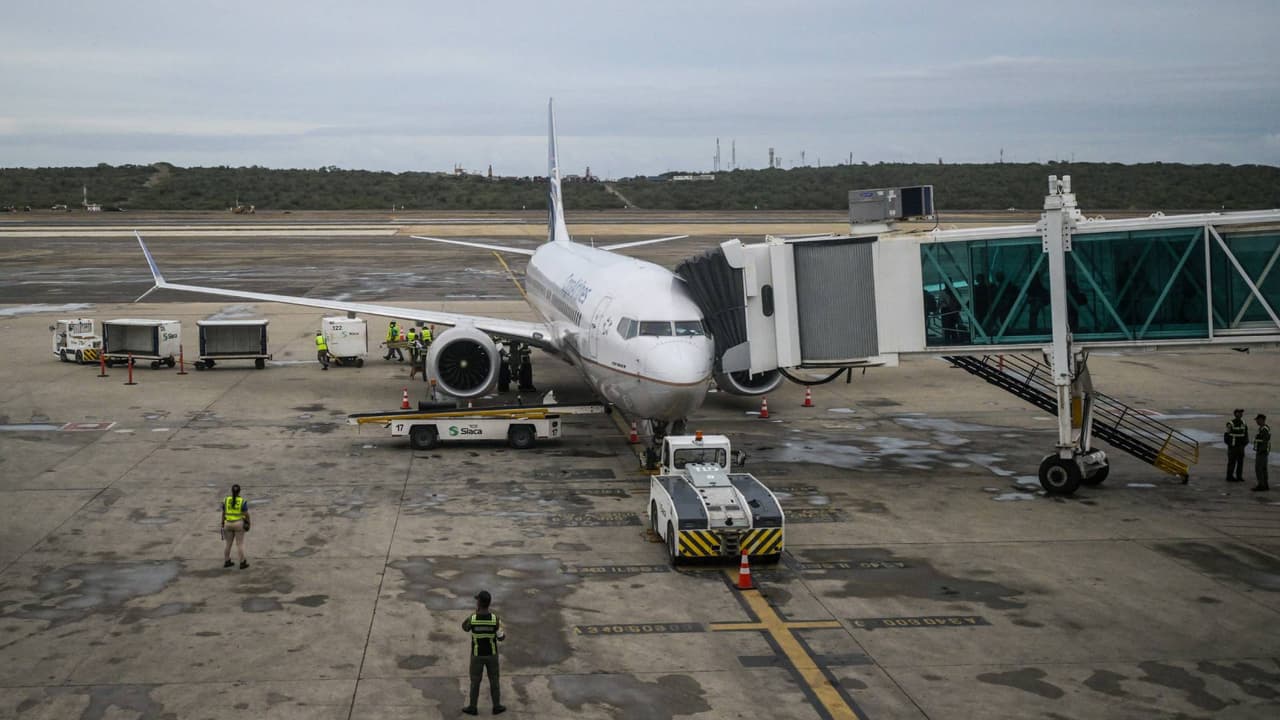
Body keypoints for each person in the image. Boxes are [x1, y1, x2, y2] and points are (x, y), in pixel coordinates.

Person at [461, 590, 505, 716]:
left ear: (479, 603)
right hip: (491, 655)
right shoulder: (495, 619)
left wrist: (475, 613)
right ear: (489, 603)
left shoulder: (473, 619)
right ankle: (496, 706)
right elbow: (501, 638)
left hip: (477, 655)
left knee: (475, 681)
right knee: (494, 680)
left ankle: (473, 707)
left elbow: (464, 627)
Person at [221, 484, 250, 569]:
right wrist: (248, 522)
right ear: (239, 491)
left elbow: (223, 512)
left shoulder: (226, 500)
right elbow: (246, 514)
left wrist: (222, 522)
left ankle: (227, 561)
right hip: (238, 524)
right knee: (239, 544)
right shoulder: (242, 501)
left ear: (231, 491)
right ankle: (242, 562)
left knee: (228, 544)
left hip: (228, 524)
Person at [1225, 408, 1249, 483]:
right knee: (1232, 462)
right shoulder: (1230, 423)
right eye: (1239, 413)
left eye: (1241, 413)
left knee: (1240, 462)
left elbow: (1246, 434)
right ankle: (1229, 476)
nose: (1240, 414)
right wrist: (1230, 445)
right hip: (1233, 447)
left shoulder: (1244, 423)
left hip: (1241, 447)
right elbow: (1226, 435)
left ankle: (1239, 476)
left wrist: (1245, 443)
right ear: (1235, 414)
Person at [1253, 413, 1270, 492]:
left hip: (1262, 452)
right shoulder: (1262, 428)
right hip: (1262, 451)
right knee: (1263, 469)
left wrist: (1260, 451)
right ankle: (1265, 485)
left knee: (1259, 468)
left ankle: (1261, 485)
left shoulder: (1264, 429)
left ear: (1261, 420)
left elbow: (1265, 441)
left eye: (1257, 420)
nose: (1256, 421)